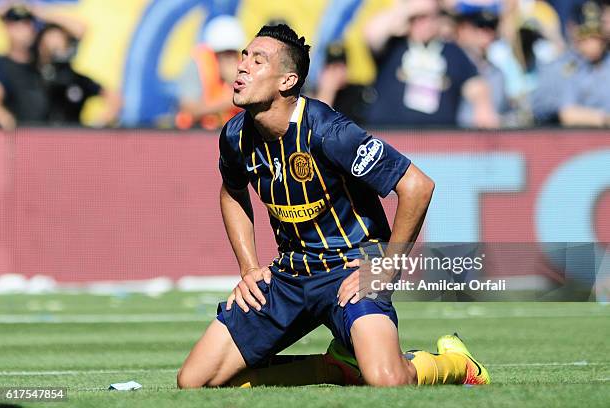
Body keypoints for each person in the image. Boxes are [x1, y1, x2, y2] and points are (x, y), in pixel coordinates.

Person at [177, 23, 490, 388]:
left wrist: (387, 267)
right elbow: (232, 191)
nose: (242, 66)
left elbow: (417, 186)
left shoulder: (329, 132)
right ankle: (335, 366)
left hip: (352, 267)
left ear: (287, 81)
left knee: (388, 380)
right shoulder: (235, 136)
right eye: (244, 56)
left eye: (258, 60)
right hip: (291, 273)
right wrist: (248, 268)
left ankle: (457, 362)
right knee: (195, 382)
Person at [363, 0, 498, 128]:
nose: (424, 23)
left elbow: (474, 84)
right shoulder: (393, 46)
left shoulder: (451, 51)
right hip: (390, 137)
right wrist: (410, 8)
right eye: (418, 18)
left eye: (429, 17)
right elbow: (371, 33)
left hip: (436, 140)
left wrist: (483, 105)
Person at [532, 0, 610, 126]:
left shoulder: (607, 64)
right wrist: (603, 118)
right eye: (586, 35)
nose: (593, 42)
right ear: (573, 29)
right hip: (567, 139)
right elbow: (564, 113)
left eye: (597, 35)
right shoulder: (559, 67)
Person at [34, 23, 121, 126]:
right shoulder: (30, 74)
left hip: (70, 137)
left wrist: (96, 126)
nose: (54, 49)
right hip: (33, 137)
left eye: (59, 42)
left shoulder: (75, 79)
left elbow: (114, 99)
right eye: (48, 44)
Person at [175, 15, 244, 130]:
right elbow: (188, 109)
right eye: (224, 54)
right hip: (198, 134)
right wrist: (231, 100)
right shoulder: (198, 65)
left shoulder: (245, 67)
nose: (230, 60)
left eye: (232, 54)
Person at [0, 5, 48, 130]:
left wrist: (39, 13)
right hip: (17, 140)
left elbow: (80, 29)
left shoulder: (42, 63)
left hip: (47, 137)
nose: (24, 29)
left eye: (27, 23)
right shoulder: (1, 64)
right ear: (7, 28)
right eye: (16, 24)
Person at [314, 41, 373, 126]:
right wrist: (327, 92)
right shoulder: (311, 94)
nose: (338, 73)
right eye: (333, 68)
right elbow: (316, 125)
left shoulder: (356, 93)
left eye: (341, 67)